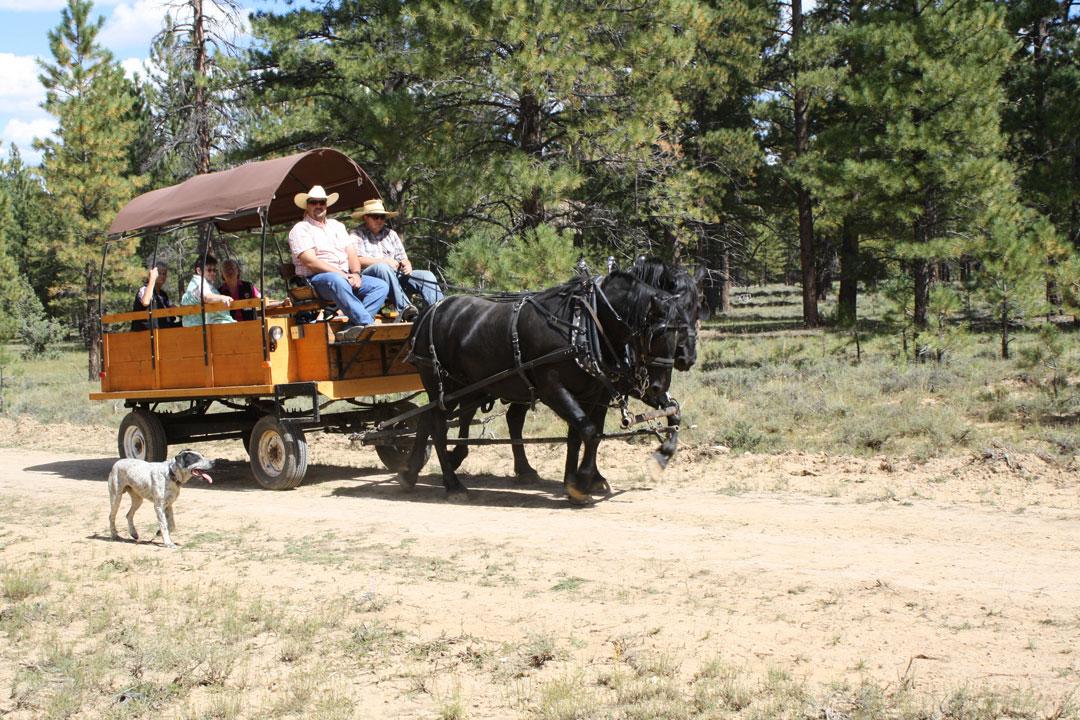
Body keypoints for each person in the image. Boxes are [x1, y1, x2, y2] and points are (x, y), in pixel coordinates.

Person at [287, 185, 389, 340]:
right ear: (307, 205)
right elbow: (310, 261)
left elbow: (351, 253)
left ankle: (354, 326)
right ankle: (367, 323)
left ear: (326, 205)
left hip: (344, 277)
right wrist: (341, 274)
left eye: (322, 202)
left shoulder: (337, 226)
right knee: (336, 280)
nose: (319, 205)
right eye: (314, 202)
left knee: (380, 286)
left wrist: (355, 274)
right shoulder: (300, 229)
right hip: (316, 280)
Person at [350, 198, 443, 322]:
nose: (379, 220)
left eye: (382, 217)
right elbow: (356, 260)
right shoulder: (356, 234)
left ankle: (439, 313)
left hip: (396, 276)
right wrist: (384, 261)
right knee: (382, 268)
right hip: (369, 278)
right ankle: (405, 308)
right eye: (375, 216)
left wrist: (407, 265)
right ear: (366, 217)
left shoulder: (391, 234)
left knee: (427, 275)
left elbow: (403, 258)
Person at [180, 253, 236, 326]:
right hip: (200, 330)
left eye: (214, 270)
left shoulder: (206, 283)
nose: (213, 273)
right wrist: (223, 298)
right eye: (209, 270)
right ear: (199, 271)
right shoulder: (199, 282)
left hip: (208, 327)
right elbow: (206, 297)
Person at [131, 260, 181, 332]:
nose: (162, 276)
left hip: (163, 330)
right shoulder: (144, 289)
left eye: (164, 274)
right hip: (146, 333)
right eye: (159, 273)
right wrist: (152, 279)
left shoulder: (163, 295)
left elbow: (173, 309)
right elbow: (145, 302)